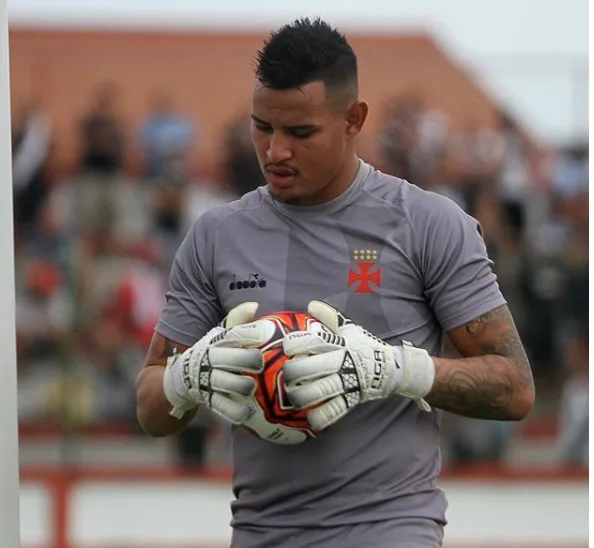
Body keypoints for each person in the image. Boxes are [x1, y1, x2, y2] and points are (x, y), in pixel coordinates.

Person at [136, 18, 535, 548]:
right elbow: (149, 405)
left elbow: (515, 387)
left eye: (300, 133)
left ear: (354, 119)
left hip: (392, 529)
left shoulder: (429, 224)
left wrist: (396, 369)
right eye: (262, 127)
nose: (275, 151)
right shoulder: (216, 235)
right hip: (260, 532)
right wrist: (186, 377)